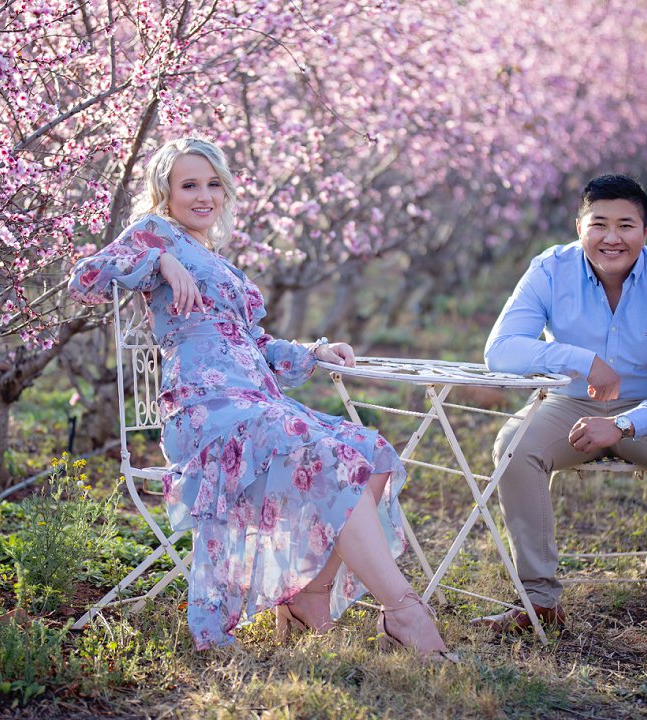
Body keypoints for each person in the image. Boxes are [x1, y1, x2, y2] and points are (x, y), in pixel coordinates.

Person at [68, 137, 456, 659]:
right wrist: (160, 261)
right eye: (189, 185)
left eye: (212, 184)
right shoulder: (153, 233)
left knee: (370, 453)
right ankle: (404, 611)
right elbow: (84, 279)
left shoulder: (216, 259)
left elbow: (255, 343)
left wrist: (315, 352)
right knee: (328, 451)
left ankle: (308, 596)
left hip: (256, 401)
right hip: (205, 409)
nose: (203, 196)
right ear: (165, 192)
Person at [475, 173, 647, 649]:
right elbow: (500, 351)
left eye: (626, 225)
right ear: (579, 227)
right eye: (599, 224)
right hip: (570, 402)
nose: (612, 238)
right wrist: (580, 360)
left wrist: (620, 425)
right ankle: (539, 601)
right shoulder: (549, 270)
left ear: (646, 231)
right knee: (514, 446)